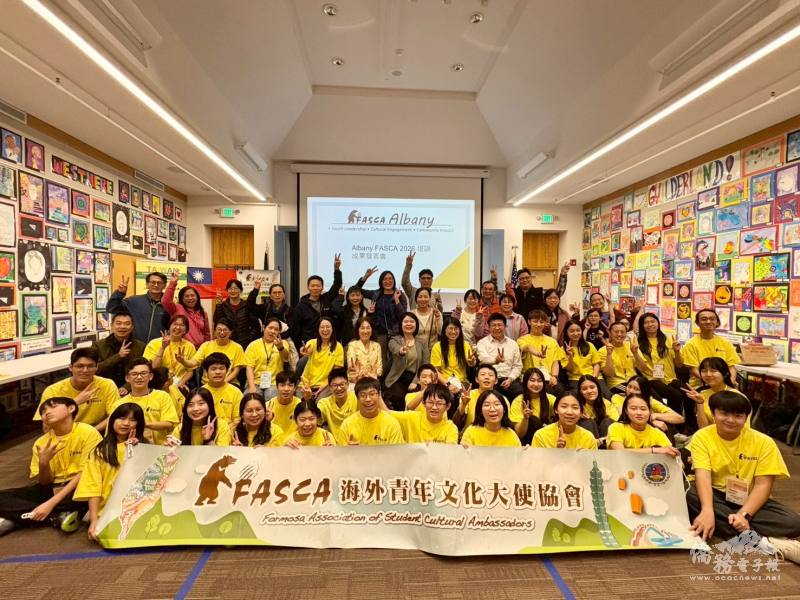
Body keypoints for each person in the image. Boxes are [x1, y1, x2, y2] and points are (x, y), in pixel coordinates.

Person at [687, 391, 800, 562]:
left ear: (747, 417)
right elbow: (703, 476)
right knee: (688, 491)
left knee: (793, 522)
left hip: (749, 499)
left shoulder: (764, 442)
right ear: (714, 413)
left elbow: (763, 485)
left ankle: (732, 529)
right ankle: (759, 541)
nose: (731, 420)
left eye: (738, 416)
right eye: (724, 413)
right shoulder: (702, 437)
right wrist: (708, 510)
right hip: (715, 495)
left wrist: (743, 515)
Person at [0, 397, 102, 537]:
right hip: (53, 487)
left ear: (71, 408)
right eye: (43, 411)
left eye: (53, 407)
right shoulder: (41, 442)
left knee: (81, 498)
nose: (46, 412)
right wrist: (44, 463)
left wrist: (50, 504)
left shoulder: (87, 432)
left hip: (81, 487)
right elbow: (44, 482)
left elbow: (87, 473)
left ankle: (17, 518)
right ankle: (54, 517)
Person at [74, 402, 145, 541]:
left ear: (139, 424)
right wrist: (94, 520)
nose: (126, 423)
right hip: (107, 509)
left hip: (136, 508)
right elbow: (93, 487)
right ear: (112, 420)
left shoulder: (144, 447)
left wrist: (134, 451)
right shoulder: (100, 451)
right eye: (122, 418)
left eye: (132, 420)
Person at [34, 347, 119, 429]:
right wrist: (74, 402)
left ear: (96, 368)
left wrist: (91, 433)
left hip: (97, 430)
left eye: (90, 366)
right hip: (66, 432)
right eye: (80, 366)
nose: (85, 370)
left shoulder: (107, 385)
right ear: (70, 367)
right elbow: (46, 427)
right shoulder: (53, 390)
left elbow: (115, 416)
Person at [632, 312, 687, 413]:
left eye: (653, 321)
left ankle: (690, 423)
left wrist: (677, 351)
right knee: (676, 395)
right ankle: (676, 424)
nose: (650, 324)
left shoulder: (669, 339)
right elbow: (642, 368)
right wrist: (635, 353)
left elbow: (679, 364)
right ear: (642, 326)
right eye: (646, 323)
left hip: (671, 378)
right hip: (651, 379)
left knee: (689, 393)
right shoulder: (638, 342)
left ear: (658, 323)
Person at [119, 359, 178, 445]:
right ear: (127, 378)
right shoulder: (120, 403)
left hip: (162, 447)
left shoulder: (162, 396)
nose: (139, 377)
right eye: (134, 374)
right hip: (130, 448)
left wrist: (145, 424)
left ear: (150, 376)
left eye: (143, 373)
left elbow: (169, 423)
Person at [355, 268, 407, 363]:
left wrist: (397, 300)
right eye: (385, 279)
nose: (388, 281)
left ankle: (392, 378)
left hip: (396, 334)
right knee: (380, 360)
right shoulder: (376, 294)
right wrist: (365, 277)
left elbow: (403, 316)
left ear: (394, 280)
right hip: (380, 333)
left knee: (396, 360)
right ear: (381, 282)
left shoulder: (399, 295)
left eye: (390, 279)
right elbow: (356, 290)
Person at [292, 254, 343, 350]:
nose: (315, 288)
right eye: (313, 286)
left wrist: (336, 269)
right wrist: (300, 346)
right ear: (308, 287)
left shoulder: (326, 299)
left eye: (318, 286)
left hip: (326, 342)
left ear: (322, 287)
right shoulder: (300, 306)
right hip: (309, 344)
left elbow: (337, 284)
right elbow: (296, 330)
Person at [683, 357, 749, 430]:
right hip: (710, 436)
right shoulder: (702, 394)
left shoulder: (737, 396)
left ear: (725, 374)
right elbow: (703, 427)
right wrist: (700, 403)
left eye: (713, 371)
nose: (708, 374)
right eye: (704, 371)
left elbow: (743, 428)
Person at [143, 315, 196, 403]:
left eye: (182, 325)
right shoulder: (154, 343)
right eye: (175, 324)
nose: (178, 327)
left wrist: (180, 383)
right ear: (169, 326)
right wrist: (162, 348)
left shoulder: (190, 346)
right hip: (159, 384)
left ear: (186, 330)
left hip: (180, 383)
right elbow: (153, 367)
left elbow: (190, 371)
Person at [681, 309, 740, 389]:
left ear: (717, 322)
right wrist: (714, 383)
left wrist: (730, 383)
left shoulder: (725, 343)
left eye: (712, 319)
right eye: (704, 319)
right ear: (697, 323)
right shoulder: (690, 344)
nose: (708, 321)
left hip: (724, 384)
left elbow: (731, 367)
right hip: (701, 385)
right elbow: (693, 370)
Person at [178, 319, 247, 386]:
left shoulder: (237, 347)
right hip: (207, 384)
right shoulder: (206, 345)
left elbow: (236, 370)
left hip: (229, 383)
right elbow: (193, 363)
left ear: (230, 332)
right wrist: (183, 361)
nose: (222, 332)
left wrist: (222, 382)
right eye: (219, 329)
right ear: (214, 331)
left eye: (225, 330)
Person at [337, 377, 404, 445]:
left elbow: (396, 453)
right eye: (363, 395)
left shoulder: (391, 424)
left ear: (379, 394)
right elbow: (340, 454)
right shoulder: (347, 424)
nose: (368, 399)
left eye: (372, 394)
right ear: (357, 398)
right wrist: (348, 451)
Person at [107, 272, 169, 343]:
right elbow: (111, 308)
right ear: (147, 284)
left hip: (158, 348)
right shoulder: (134, 301)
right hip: (135, 347)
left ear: (164, 286)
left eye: (159, 283)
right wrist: (119, 293)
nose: (156, 285)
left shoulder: (168, 305)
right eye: (153, 282)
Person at [92, 309, 146, 390]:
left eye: (127, 324)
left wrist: (127, 387)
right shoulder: (98, 345)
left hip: (132, 390)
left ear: (132, 327)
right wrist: (118, 356)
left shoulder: (140, 346)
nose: (122, 327)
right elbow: (94, 370)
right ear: (112, 326)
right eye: (118, 323)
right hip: (104, 389)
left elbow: (144, 371)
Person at [386, 383, 458, 444]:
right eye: (430, 402)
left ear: (448, 406)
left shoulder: (450, 428)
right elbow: (386, 412)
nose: (434, 407)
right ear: (423, 403)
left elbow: (449, 453)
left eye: (439, 403)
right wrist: (377, 392)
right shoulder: (412, 417)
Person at [607, 394, 678, 454]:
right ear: (626, 411)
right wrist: (654, 450)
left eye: (643, 409)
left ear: (650, 411)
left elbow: (674, 457)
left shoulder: (658, 434)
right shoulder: (616, 428)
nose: (639, 413)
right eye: (633, 408)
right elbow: (620, 452)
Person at [610, 376, 684, 433]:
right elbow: (624, 417)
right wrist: (651, 420)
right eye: (629, 387)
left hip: (649, 432)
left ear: (643, 392)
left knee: (666, 423)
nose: (631, 391)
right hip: (629, 430)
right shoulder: (618, 397)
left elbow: (680, 419)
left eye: (636, 389)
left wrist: (655, 416)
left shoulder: (649, 400)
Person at [517, 309, 565, 395]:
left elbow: (555, 361)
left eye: (541, 322)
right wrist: (536, 353)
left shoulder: (552, 341)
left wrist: (554, 376)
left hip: (548, 378)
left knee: (560, 391)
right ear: (529, 322)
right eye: (535, 321)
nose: (538, 325)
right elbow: (526, 347)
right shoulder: (522, 339)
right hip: (530, 378)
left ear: (546, 323)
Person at [476, 313, 523, 401]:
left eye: (499, 325)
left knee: (520, 394)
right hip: (490, 380)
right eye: (493, 325)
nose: (497, 328)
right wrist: (495, 360)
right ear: (489, 327)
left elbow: (518, 366)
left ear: (505, 326)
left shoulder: (513, 344)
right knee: (491, 396)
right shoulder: (482, 343)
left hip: (509, 379)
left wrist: (510, 379)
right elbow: (482, 358)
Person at [505, 263, 570, 322]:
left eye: (527, 278)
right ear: (518, 281)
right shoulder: (513, 292)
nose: (525, 280)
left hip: (536, 327)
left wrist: (563, 275)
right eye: (521, 279)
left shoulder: (540, 292)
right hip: (516, 326)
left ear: (531, 278)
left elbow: (557, 293)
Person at [245, 317, 290, 399]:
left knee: (271, 396)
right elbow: (249, 367)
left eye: (276, 329)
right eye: (270, 328)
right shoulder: (253, 345)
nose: (272, 331)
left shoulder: (283, 343)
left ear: (279, 332)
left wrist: (280, 347)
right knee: (251, 398)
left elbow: (285, 358)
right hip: (255, 382)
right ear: (263, 327)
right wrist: (252, 387)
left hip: (274, 383)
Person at [161, 271, 210, 346]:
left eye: (192, 295)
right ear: (182, 299)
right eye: (186, 296)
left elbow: (207, 334)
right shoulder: (177, 308)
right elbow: (165, 301)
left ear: (197, 297)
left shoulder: (203, 313)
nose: (190, 298)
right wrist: (172, 283)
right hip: (181, 347)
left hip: (199, 350)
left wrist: (206, 347)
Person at [533, 393, 597, 449]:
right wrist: (557, 452)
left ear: (581, 412)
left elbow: (594, 462)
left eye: (575, 407)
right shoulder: (541, 435)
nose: (569, 412)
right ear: (556, 410)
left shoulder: (589, 438)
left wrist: (582, 458)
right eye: (564, 406)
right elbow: (536, 462)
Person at [299, 316, 344, 394]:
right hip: (306, 384)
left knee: (320, 403)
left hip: (326, 385)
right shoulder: (312, 343)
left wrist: (324, 385)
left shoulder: (338, 346)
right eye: (322, 327)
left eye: (328, 327)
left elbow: (337, 372)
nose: (325, 330)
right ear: (318, 330)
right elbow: (307, 349)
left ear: (332, 329)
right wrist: (303, 350)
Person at [510, 368, 555, 445]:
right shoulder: (518, 401)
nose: (536, 384)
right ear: (525, 382)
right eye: (532, 380)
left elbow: (562, 407)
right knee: (533, 420)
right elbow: (519, 434)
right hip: (526, 441)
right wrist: (525, 418)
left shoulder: (550, 398)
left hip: (545, 439)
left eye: (539, 381)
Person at [213, 279, 262, 350]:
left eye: (236, 288)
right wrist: (219, 305)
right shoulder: (222, 305)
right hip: (228, 343)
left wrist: (249, 338)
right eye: (230, 288)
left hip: (246, 344)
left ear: (241, 290)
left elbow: (256, 326)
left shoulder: (247, 305)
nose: (233, 291)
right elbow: (217, 321)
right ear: (227, 290)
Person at [431, 317, 476, 390]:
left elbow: (471, 363)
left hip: (462, 381)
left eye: (456, 328)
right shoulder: (437, 346)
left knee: (463, 395)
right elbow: (435, 370)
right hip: (444, 382)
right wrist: (448, 384)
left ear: (460, 330)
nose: (453, 331)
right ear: (444, 330)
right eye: (450, 328)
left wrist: (472, 362)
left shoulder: (465, 345)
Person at [200, 353, 244, 427]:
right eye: (213, 369)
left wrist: (223, 432)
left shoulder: (236, 392)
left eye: (221, 368)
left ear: (227, 371)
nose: (218, 372)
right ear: (206, 372)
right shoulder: (200, 392)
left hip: (229, 431)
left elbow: (237, 420)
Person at [316, 368, 358, 441]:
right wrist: (308, 398)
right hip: (334, 446)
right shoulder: (325, 403)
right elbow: (313, 416)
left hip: (355, 444)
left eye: (342, 384)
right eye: (335, 385)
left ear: (348, 384)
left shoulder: (356, 398)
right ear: (329, 387)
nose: (339, 388)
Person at [598, 322, 636, 397]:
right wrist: (609, 354)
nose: (619, 334)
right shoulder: (602, 350)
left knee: (651, 391)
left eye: (622, 332)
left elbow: (643, 368)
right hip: (616, 384)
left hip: (634, 381)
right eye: (616, 332)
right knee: (638, 392)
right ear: (610, 333)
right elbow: (609, 374)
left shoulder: (631, 346)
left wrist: (636, 353)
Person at [559, 320, 601, 388]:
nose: (575, 333)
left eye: (578, 330)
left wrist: (594, 377)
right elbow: (570, 370)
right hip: (576, 380)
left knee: (606, 395)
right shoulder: (562, 349)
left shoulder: (590, 345)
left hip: (593, 377)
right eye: (572, 331)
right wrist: (570, 355)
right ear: (566, 333)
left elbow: (596, 364)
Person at [576, 375, 617, 441]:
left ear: (597, 387)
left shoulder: (606, 403)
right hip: (587, 441)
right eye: (584, 389)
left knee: (607, 421)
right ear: (580, 391)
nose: (589, 391)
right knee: (587, 423)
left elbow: (616, 423)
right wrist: (577, 417)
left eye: (592, 387)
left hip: (604, 438)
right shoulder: (576, 405)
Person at [453, 363, 495, 429]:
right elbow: (456, 423)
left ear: (496, 380)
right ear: (476, 379)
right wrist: (463, 405)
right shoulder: (468, 396)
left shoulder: (501, 399)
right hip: (469, 436)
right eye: (483, 374)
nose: (487, 377)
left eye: (490, 375)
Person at [346, 317, 382, 384]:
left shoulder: (377, 346)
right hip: (356, 381)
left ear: (372, 330)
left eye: (368, 328)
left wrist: (369, 375)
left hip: (373, 381)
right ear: (358, 330)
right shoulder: (352, 345)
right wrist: (352, 368)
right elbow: (351, 365)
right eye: (362, 328)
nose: (365, 331)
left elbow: (379, 370)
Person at [267, 371, 302, 435]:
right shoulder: (268, 406)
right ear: (277, 387)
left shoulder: (300, 405)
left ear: (295, 388)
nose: (286, 389)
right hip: (275, 442)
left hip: (294, 442)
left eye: (290, 385)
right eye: (282, 385)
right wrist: (267, 421)